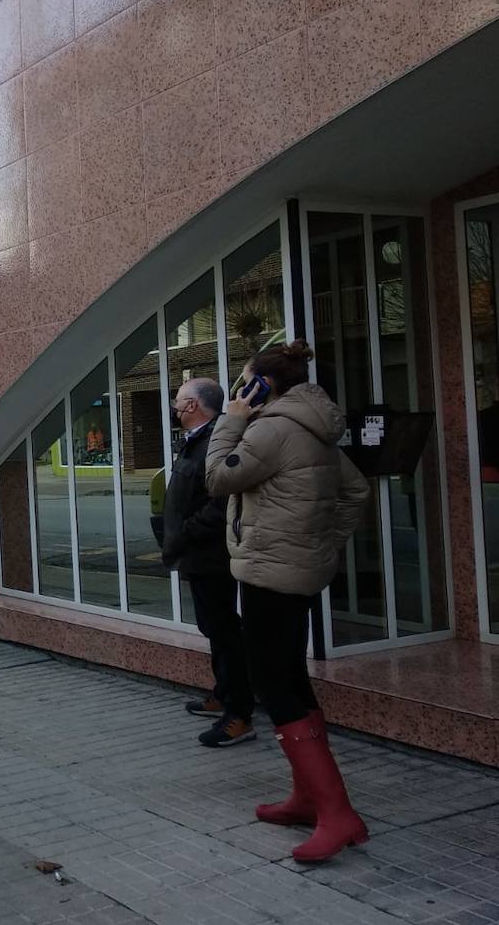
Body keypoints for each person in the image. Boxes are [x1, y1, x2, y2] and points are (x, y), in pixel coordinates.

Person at [206, 340, 371, 864]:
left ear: (261, 385)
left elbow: (218, 478)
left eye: (244, 382)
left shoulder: (271, 429)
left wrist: (231, 419)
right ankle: (307, 798)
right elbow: (356, 492)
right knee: (291, 679)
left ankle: (336, 812)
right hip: (296, 571)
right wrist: (320, 543)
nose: (239, 391)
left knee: (272, 684)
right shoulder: (314, 429)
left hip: (270, 574)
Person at [163, 377, 255, 748]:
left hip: (210, 553)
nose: (174, 406)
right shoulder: (198, 441)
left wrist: (184, 533)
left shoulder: (216, 441)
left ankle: (239, 713)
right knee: (214, 628)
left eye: (179, 400)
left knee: (224, 630)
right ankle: (223, 693)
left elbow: (220, 504)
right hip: (196, 553)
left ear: (193, 406)